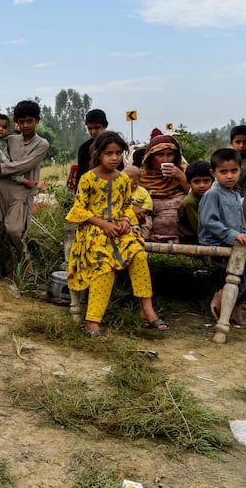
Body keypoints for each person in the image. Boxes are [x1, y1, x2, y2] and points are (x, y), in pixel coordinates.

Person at [67, 131, 169, 337]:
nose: (114, 158)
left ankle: (146, 310)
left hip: (119, 230)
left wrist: (124, 221)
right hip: (93, 229)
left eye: (118, 153)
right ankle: (92, 321)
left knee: (139, 255)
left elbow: (125, 207)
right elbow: (79, 210)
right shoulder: (88, 179)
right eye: (109, 153)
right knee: (104, 267)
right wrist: (103, 224)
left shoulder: (123, 180)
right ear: (98, 154)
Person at [0, 100, 49, 278]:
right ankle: (9, 272)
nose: (26, 125)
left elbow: (22, 166)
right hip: (1, 189)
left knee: (14, 230)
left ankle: (25, 260)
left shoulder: (41, 144)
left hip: (22, 192)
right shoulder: (10, 139)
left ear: (37, 120)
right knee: (3, 233)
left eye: (30, 121)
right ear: (16, 122)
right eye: (22, 121)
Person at [199, 149, 246, 326]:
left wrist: (244, 236)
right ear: (213, 173)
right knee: (245, 270)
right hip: (216, 241)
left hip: (234, 242)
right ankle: (224, 298)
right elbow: (209, 222)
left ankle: (234, 302)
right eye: (223, 172)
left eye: (234, 171)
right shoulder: (212, 194)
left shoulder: (235, 194)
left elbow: (240, 221)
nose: (229, 176)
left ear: (240, 170)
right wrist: (235, 235)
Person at [139, 133, 190, 242]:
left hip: (182, 232)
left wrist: (181, 178)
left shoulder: (185, 172)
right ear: (150, 157)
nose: (165, 159)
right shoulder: (141, 178)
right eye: (160, 155)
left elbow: (197, 196)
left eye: (170, 154)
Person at [0, 114, 36, 189]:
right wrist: (11, 166)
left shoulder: (2, 140)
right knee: (11, 172)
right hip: (1, 169)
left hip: (1, 168)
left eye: (4, 127)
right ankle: (25, 181)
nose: (1, 129)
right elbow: (2, 158)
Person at [177, 161, 213, 244]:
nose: (202, 185)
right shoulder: (190, 202)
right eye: (196, 182)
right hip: (192, 240)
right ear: (189, 183)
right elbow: (199, 228)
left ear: (212, 180)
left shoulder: (210, 196)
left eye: (206, 181)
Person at [74, 109, 109, 189]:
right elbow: (80, 175)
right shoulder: (84, 148)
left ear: (105, 126)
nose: (93, 132)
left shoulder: (113, 146)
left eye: (97, 128)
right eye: (90, 128)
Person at [122, 165, 153, 239]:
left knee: (147, 224)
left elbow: (148, 204)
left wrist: (141, 211)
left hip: (143, 215)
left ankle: (144, 238)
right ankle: (133, 235)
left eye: (126, 178)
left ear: (135, 183)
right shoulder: (120, 191)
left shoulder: (142, 191)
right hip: (127, 215)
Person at [230, 124, 246, 193]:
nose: (242, 145)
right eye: (238, 142)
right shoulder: (225, 160)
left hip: (245, 198)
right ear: (231, 143)